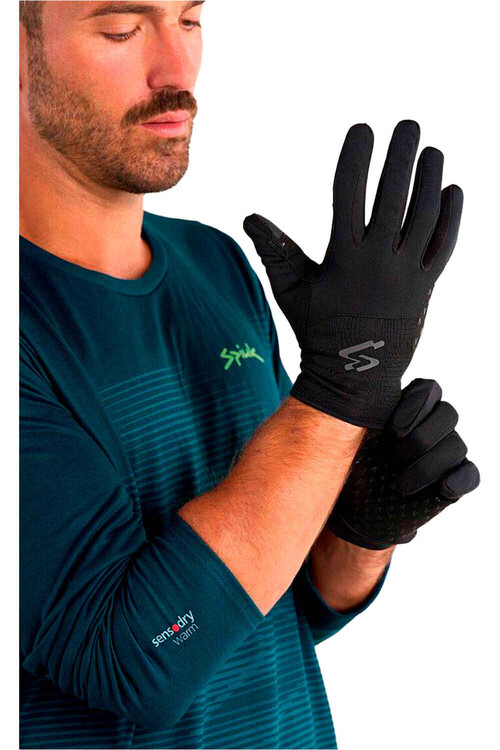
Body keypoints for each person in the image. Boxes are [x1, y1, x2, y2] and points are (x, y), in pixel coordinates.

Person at [19, 2, 479, 749]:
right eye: (122, 29)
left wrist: (361, 533)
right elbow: (139, 659)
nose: (176, 70)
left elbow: (256, 609)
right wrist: (337, 396)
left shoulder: (216, 265)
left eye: (190, 20)